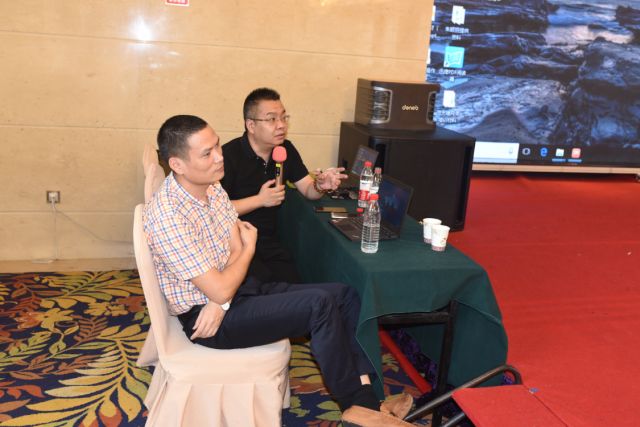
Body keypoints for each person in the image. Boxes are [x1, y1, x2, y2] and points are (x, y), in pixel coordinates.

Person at [143, 115, 413, 426]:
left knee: (344, 295)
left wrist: (223, 296)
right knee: (319, 305)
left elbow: (233, 249)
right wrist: (244, 258)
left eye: (217, 145)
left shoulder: (211, 187)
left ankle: (365, 404)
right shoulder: (169, 216)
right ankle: (359, 408)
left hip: (230, 297)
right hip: (207, 322)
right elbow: (230, 267)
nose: (219, 157)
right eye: (207, 153)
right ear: (177, 164)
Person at [221, 88, 347, 283]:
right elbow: (213, 210)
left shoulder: (285, 149)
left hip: (269, 243)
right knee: (264, 292)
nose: (281, 125)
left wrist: (321, 185)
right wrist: (259, 200)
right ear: (251, 125)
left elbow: (308, 189)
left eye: (283, 117)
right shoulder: (227, 157)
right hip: (235, 245)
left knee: (296, 286)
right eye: (272, 119)